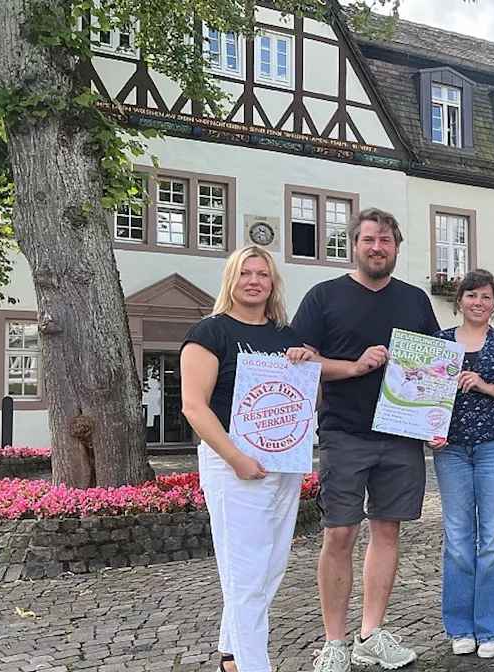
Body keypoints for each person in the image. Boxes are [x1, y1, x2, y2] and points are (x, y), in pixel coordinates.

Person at [291, 208, 441, 672]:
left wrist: (435, 417)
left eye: (386, 241)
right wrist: (351, 364)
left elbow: (435, 368)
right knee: (339, 533)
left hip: (401, 435)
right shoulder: (324, 296)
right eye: (369, 239)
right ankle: (334, 641)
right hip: (343, 431)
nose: (378, 248)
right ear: (354, 244)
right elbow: (300, 359)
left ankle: (371, 634)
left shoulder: (415, 300)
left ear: (397, 247)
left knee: (387, 530)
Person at [180, 245, 314, 672]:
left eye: (262, 274)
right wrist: (236, 458)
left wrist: (306, 364)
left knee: (269, 567)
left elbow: (304, 401)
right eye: (245, 273)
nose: (254, 281)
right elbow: (193, 407)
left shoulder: (286, 337)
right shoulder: (210, 332)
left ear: (273, 282)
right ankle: (256, 665)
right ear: (231, 280)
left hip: (283, 463)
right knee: (245, 572)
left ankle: (231, 657)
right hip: (233, 465)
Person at [427, 270, 494, 659]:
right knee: (457, 538)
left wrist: (486, 385)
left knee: (493, 537)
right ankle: (459, 626)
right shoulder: (439, 342)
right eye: (471, 295)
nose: (478, 302)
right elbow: (420, 394)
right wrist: (428, 429)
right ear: (459, 300)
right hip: (451, 449)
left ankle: (492, 627)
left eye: (486, 296)